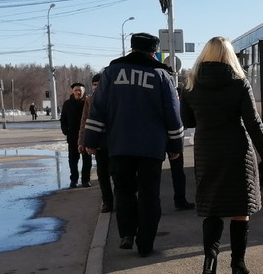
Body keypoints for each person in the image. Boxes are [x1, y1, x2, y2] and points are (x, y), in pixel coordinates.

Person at [179, 36, 263, 274]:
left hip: (206, 153)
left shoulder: (190, 85)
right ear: (229, 55)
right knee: (240, 210)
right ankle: (238, 264)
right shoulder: (238, 83)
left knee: (212, 211)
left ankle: (209, 265)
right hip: (236, 152)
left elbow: (188, 122)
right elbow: (254, 123)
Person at [83, 33, 184, 258]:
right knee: (150, 195)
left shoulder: (111, 73)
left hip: (119, 145)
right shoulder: (161, 75)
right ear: (153, 52)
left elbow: (97, 109)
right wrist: (175, 144)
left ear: (131, 48)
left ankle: (127, 233)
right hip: (152, 148)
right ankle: (145, 243)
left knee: (123, 190)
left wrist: (90, 141)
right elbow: (172, 113)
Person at [78, 74, 113, 213]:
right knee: (102, 174)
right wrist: (82, 141)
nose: (96, 87)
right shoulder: (89, 100)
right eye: (94, 84)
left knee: (117, 173)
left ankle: (121, 200)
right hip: (99, 143)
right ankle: (107, 202)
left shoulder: (113, 98)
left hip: (114, 142)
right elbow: (84, 122)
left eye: (99, 84)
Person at [61, 83, 92, 189]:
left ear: (83, 91)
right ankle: (74, 180)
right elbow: (63, 119)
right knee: (73, 160)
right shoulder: (67, 104)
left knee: (87, 159)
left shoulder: (87, 103)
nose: (78, 92)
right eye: (76, 90)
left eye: (80, 90)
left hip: (85, 135)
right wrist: (66, 131)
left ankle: (85, 180)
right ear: (72, 91)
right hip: (72, 136)